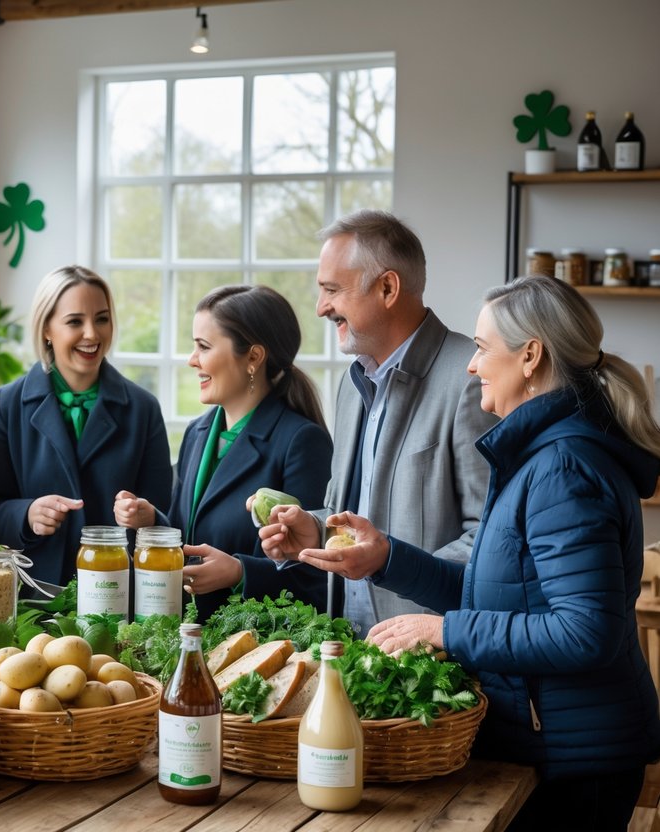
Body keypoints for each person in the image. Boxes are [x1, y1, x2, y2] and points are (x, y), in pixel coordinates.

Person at [279, 275, 660, 830]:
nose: (471, 364)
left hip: (577, 761)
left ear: (531, 355)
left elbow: (586, 632)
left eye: (482, 349)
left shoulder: (562, 469)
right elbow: (501, 596)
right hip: (551, 746)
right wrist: (386, 559)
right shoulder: (537, 456)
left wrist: (442, 631)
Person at [260, 209, 497, 630]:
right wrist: (314, 530)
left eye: (332, 290)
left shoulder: (472, 380)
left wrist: (390, 561)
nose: (320, 308)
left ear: (388, 287)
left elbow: (491, 542)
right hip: (352, 647)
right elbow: (350, 516)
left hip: (431, 662)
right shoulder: (351, 385)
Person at [114, 285, 332, 619]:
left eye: (203, 346)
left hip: (253, 652)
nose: (192, 360)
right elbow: (190, 534)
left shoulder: (302, 442)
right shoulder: (196, 433)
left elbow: (312, 578)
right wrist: (152, 521)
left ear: (254, 358)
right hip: (183, 638)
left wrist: (240, 573)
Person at [0, 266, 172, 587]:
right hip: (32, 592)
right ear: (46, 329)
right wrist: (27, 514)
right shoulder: (6, 404)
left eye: (101, 319)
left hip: (117, 593)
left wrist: (146, 517)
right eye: (74, 322)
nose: (92, 334)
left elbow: (165, 515)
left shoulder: (144, 408)